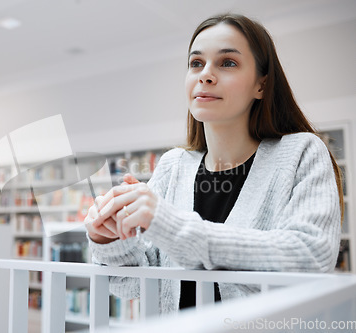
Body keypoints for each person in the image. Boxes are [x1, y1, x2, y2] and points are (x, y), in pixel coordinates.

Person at [85, 13, 343, 313]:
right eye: (196, 63)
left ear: (261, 85)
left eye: (228, 63)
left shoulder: (302, 152)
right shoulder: (173, 166)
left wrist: (173, 226)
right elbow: (132, 286)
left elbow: (311, 257)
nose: (205, 75)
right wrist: (110, 240)